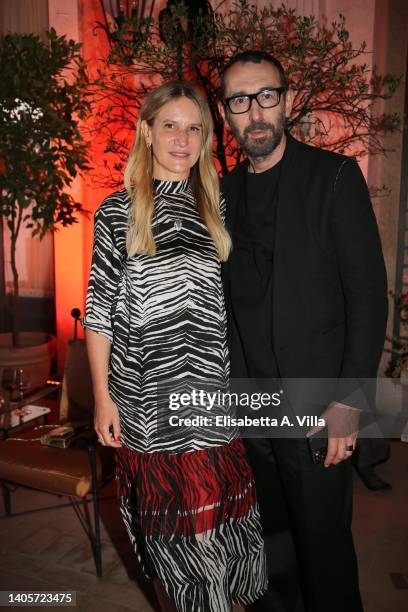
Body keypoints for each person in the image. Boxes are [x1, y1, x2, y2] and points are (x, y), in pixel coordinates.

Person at [82, 81, 267, 612]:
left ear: (206, 138)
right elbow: (98, 314)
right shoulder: (118, 211)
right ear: (146, 131)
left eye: (194, 128)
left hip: (210, 400)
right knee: (174, 544)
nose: (182, 139)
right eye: (170, 125)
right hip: (148, 401)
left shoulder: (215, 209)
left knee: (222, 534)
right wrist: (102, 397)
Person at [219, 51, 388, 612]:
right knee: (275, 549)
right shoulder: (222, 193)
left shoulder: (334, 177)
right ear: (228, 116)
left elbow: (367, 299)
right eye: (240, 102)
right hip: (254, 408)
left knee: (325, 547)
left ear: (287, 101)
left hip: (318, 407)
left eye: (266, 95)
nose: (255, 112)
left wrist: (351, 401)